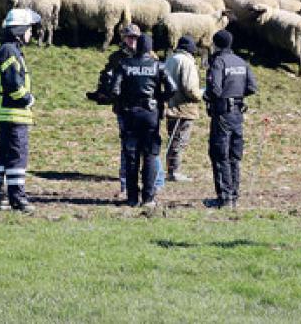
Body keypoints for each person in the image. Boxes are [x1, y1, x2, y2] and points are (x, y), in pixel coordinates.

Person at [87, 24, 166, 198]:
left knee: (150, 149)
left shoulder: (151, 58)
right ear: (123, 38)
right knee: (129, 149)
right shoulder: (117, 58)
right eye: (129, 37)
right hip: (126, 110)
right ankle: (127, 185)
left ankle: (155, 183)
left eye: (135, 38)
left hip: (147, 110)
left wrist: (160, 101)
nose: (132, 41)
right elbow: (107, 80)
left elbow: (161, 84)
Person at [110, 33, 177, 207]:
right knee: (150, 155)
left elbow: (115, 90)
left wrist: (122, 103)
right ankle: (148, 197)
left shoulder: (124, 64)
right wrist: (160, 98)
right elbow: (173, 88)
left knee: (131, 155)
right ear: (150, 48)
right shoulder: (158, 66)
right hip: (150, 114)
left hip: (130, 114)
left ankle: (132, 197)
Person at [0, 8, 41, 212]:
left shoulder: (6, 49)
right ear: (19, 30)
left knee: (5, 156)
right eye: (28, 29)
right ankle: (17, 198)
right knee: (17, 156)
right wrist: (28, 98)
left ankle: (2, 195)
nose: (31, 33)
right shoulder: (10, 51)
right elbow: (13, 83)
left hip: (7, 113)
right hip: (15, 113)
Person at [203, 30, 258, 209]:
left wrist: (210, 97)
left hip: (222, 114)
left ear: (216, 44)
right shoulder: (241, 62)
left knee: (220, 155)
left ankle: (224, 198)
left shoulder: (218, 62)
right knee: (235, 155)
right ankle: (234, 195)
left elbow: (215, 89)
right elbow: (252, 87)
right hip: (238, 113)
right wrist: (237, 96)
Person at [163, 36, 204, 182]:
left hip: (171, 105)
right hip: (184, 107)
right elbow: (189, 87)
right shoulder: (187, 62)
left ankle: (170, 169)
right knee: (180, 140)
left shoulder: (170, 59)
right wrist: (199, 95)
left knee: (173, 137)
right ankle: (174, 171)